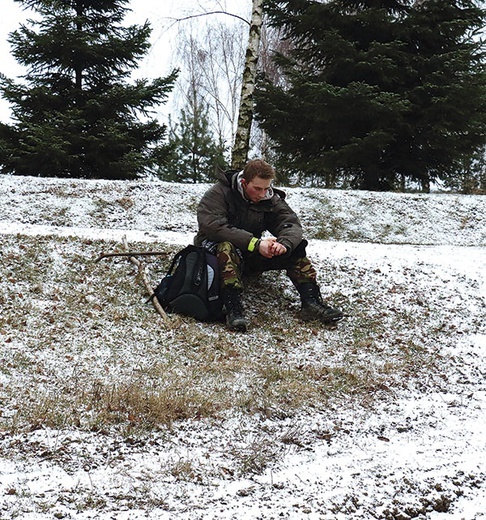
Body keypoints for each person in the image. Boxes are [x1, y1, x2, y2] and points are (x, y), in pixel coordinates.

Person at [194, 159, 343, 332]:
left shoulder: (270, 198)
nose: (262, 194)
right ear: (244, 182)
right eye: (257, 188)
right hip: (214, 255)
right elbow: (214, 228)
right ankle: (232, 307)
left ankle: (311, 302)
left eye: (266, 188)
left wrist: (284, 245)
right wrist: (256, 244)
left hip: (249, 253)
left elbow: (290, 224)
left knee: (297, 247)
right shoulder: (219, 193)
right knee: (226, 246)